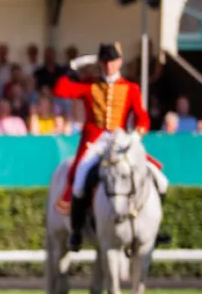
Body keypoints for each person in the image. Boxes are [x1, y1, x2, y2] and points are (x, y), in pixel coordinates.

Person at [53, 43, 169, 252]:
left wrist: (136, 134)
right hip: (95, 143)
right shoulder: (90, 85)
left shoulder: (131, 88)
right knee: (79, 181)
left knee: (161, 180)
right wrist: (73, 66)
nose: (108, 66)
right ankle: (77, 231)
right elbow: (61, 89)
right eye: (105, 62)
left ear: (119, 62)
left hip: (122, 141)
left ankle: (155, 229)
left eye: (112, 62)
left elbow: (142, 116)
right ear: (100, 64)